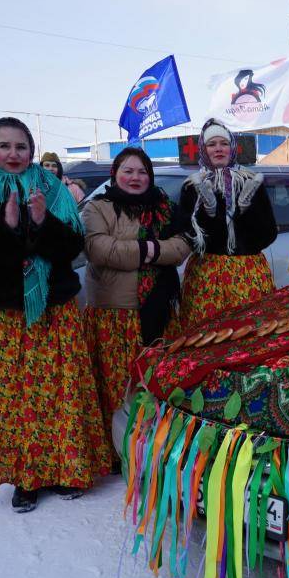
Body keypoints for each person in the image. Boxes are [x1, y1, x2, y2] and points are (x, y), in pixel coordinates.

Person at [0, 116, 113, 513]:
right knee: (13, 399)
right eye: (5, 146)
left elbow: (71, 245)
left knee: (58, 393)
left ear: (31, 149)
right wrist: (4, 227)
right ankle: (25, 479)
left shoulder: (52, 188)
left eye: (21, 146)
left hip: (53, 312)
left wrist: (41, 221)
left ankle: (64, 468)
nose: (13, 154)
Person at [83, 147, 190, 449]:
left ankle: (154, 444)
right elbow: (100, 250)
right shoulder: (99, 207)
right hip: (114, 314)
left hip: (158, 310)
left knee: (154, 382)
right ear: (114, 175)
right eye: (128, 171)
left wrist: (143, 252)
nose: (135, 177)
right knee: (117, 385)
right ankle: (116, 449)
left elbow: (183, 246)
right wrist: (154, 250)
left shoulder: (166, 206)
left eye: (142, 171)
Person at [177, 119, 277, 331]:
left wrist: (246, 210)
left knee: (250, 331)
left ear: (232, 147)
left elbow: (268, 234)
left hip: (248, 273)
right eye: (212, 144)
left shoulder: (250, 181)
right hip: (207, 276)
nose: (219, 149)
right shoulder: (192, 186)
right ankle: (210, 206)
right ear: (203, 149)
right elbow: (188, 235)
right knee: (207, 334)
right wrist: (208, 214)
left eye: (223, 143)